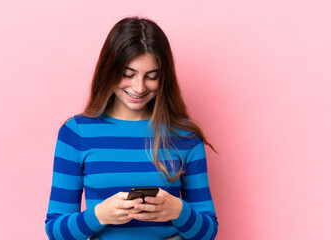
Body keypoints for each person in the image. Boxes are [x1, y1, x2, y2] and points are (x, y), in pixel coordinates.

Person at [45, 17, 218, 240]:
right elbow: (55, 230)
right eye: (128, 74)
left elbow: (209, 231)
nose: (139, 87)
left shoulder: (186, 137)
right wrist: (99, 215)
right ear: (109, 70)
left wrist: (177, 210)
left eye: (152, 76)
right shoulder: (76, 133)